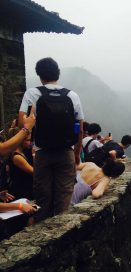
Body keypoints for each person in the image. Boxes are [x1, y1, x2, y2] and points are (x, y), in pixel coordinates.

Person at [18, 57, 84, 221]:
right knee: (63, 200)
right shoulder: (72, 95)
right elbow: (80, 129)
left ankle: (44, 237)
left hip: (42, 153)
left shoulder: (33, 93)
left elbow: (22, 124)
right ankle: (62, 237)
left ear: (39, 75)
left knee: (42, 199)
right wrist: (76, 154)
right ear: (58, 73)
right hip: (66, 152)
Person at [8, 130, 34, 200]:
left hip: (26, 191)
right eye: (28, 140)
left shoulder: (24, 152)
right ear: (20, 141)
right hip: (21, 193)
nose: (30, 142)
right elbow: (34, 172)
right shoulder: (17, 157)